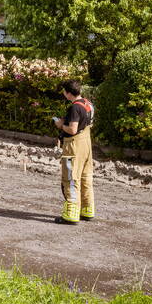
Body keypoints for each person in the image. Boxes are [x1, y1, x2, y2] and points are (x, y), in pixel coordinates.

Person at [53, 79, 95, 224]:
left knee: (70, 178)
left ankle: (71, 214)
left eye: (64, 91)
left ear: (68, 93)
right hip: (87, 145)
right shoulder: (88, 103)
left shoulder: (74, 108)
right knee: (85, 177)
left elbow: (72, 129)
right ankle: (87, 210)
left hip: (74, 146)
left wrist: (60, 125)